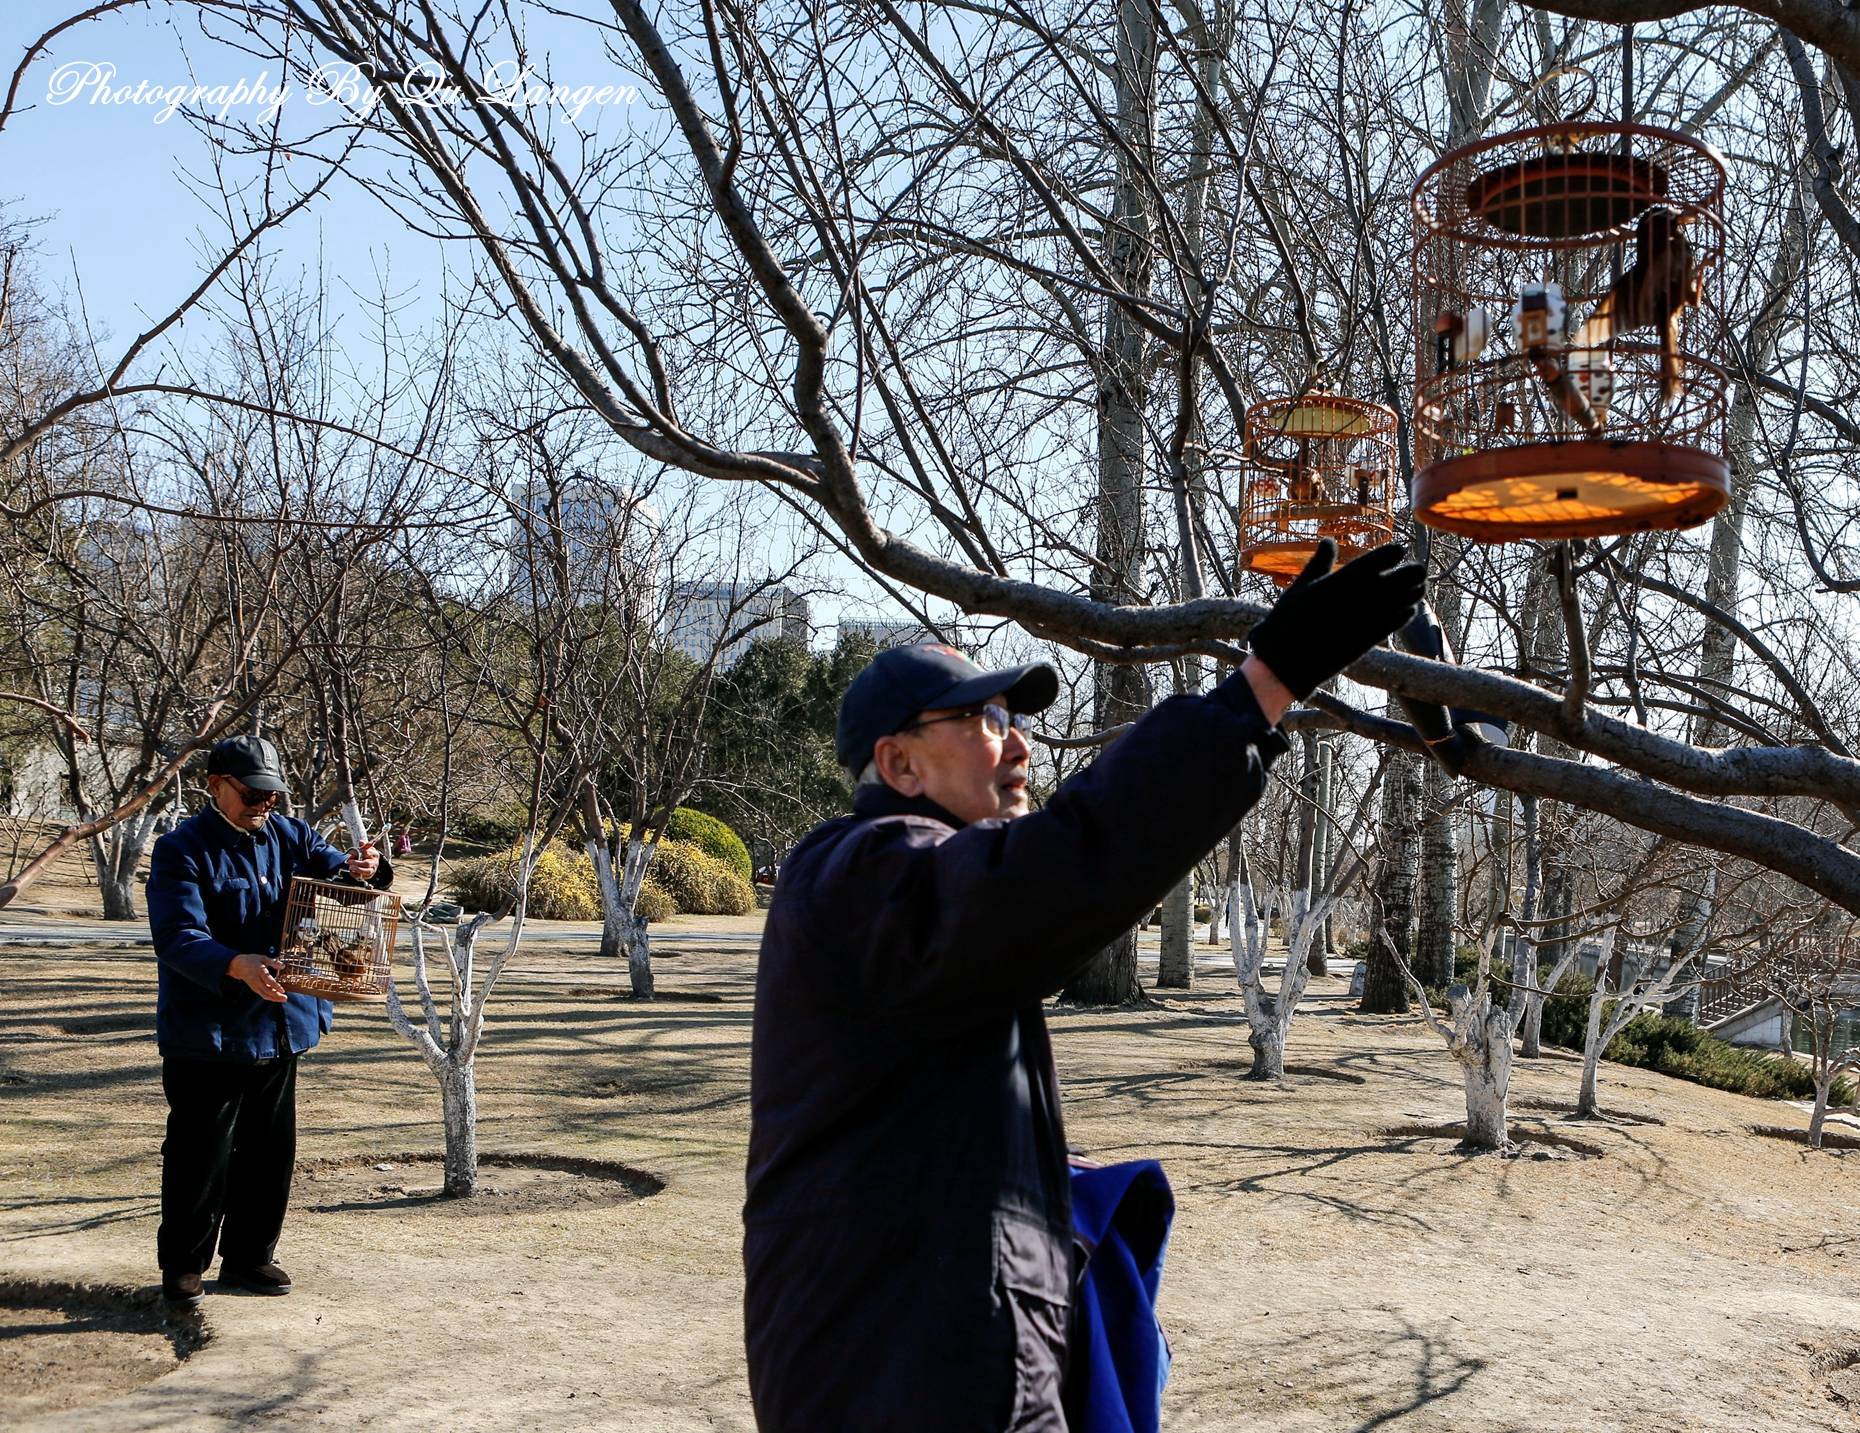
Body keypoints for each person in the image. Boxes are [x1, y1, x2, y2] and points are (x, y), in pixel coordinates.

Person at [742, 539, 1426, 1430]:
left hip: (942, 1363)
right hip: (897, 1378)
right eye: (982, 717)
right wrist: (1259, 687)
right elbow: (1062, 871)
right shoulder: (863, 869)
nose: (1019, 741)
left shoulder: (914, 895)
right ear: (901, 765)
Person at [146, 734, 394, 1308]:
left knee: (269, 1148)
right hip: (207, 1031)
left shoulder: (292, 834)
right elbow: (177, 937)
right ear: (215, 786)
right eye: (253, 792)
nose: (265, 804)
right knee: (199, 1153)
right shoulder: (180, 849)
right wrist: (236, 963)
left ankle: (251, 1257)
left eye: (273, 794)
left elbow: (346, 886)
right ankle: (183, 1266)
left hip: (282, 1024)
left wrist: (366, 871)